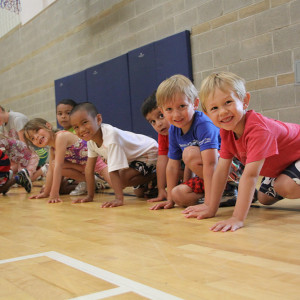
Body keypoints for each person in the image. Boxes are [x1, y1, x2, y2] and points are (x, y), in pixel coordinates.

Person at [184, 71, 300, 232]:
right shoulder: (226, 132)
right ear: (207, 114)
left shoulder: (258, 130)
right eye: (214, 108)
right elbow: (221, 171)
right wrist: (210, 207)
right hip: (287, 164)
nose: (223, 112)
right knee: (264, 198)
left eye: (228, 102)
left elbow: (251, 175)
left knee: (286, 186)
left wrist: (237, 218)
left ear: (244, 101)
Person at [149, 74, 225, 211]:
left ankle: (223, 191)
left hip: (228, 170)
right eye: (169, 109)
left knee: (189, 153)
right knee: (178, 194)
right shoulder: (173, 130)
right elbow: (172, 166)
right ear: (162, 111)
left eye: (182, 106)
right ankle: (224, 195)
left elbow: (211, 163)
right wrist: (170, 200)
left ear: (195, 104)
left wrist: (208, 204)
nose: (176, 115)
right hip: (208, 175)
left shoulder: (203, 124)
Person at [69, 102, 158, 207]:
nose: (82, 129)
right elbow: (89, 169)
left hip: (149, 151)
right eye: (76, 127)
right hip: (135, 159)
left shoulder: (110, 136)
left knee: (121, 179)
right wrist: (90, 196)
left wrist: (118, 199)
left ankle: (158, 174)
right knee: (139, 193)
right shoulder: (91, 142)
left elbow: (113, 170)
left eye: (84, 122)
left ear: (98, 119)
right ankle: (154, 180)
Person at [23, 118, 111, 203]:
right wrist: (46, 192)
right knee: (52, 165)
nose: (36, 137)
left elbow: (59, 166)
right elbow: (50, 171)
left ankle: (101, 179)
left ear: (48, 126)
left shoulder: (61, 136)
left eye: (37, 131)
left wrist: (54, 193)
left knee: (119, 184)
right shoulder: (52, 149)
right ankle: (93, 181)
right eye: (32, 138)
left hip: (98, 162)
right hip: (86, 169)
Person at [141, 91, 191, 202]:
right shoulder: (163, 135)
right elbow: (162, 161)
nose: (158, 124)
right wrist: (161, 189)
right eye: (152, 122)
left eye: (161, 116)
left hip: (205, 162)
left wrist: (187, 186)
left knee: (189, 156)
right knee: (138, 192)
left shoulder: (186, 126)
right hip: (185, 164)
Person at [0, 106, 39, 179]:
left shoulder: (17, 119)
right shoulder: (2, 125)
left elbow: (24, 146)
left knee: (22, 178)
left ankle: (41, 170)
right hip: (20, 155)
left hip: (35, 152)